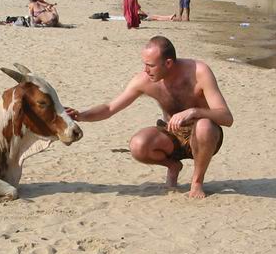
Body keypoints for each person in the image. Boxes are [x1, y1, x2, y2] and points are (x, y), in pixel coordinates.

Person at [66, 36, 233, 199]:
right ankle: (173, 166)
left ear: (168, 63)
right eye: (144, 64)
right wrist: (82, 116)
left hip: (204, 136)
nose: (146, 70)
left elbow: (226, 117)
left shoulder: (199, 72)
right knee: (138, 145)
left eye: (151, 65)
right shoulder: (145, 80)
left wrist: (194, 112)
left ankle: (197, 182)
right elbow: (110, 108)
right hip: (172, 134)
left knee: (204, 126)